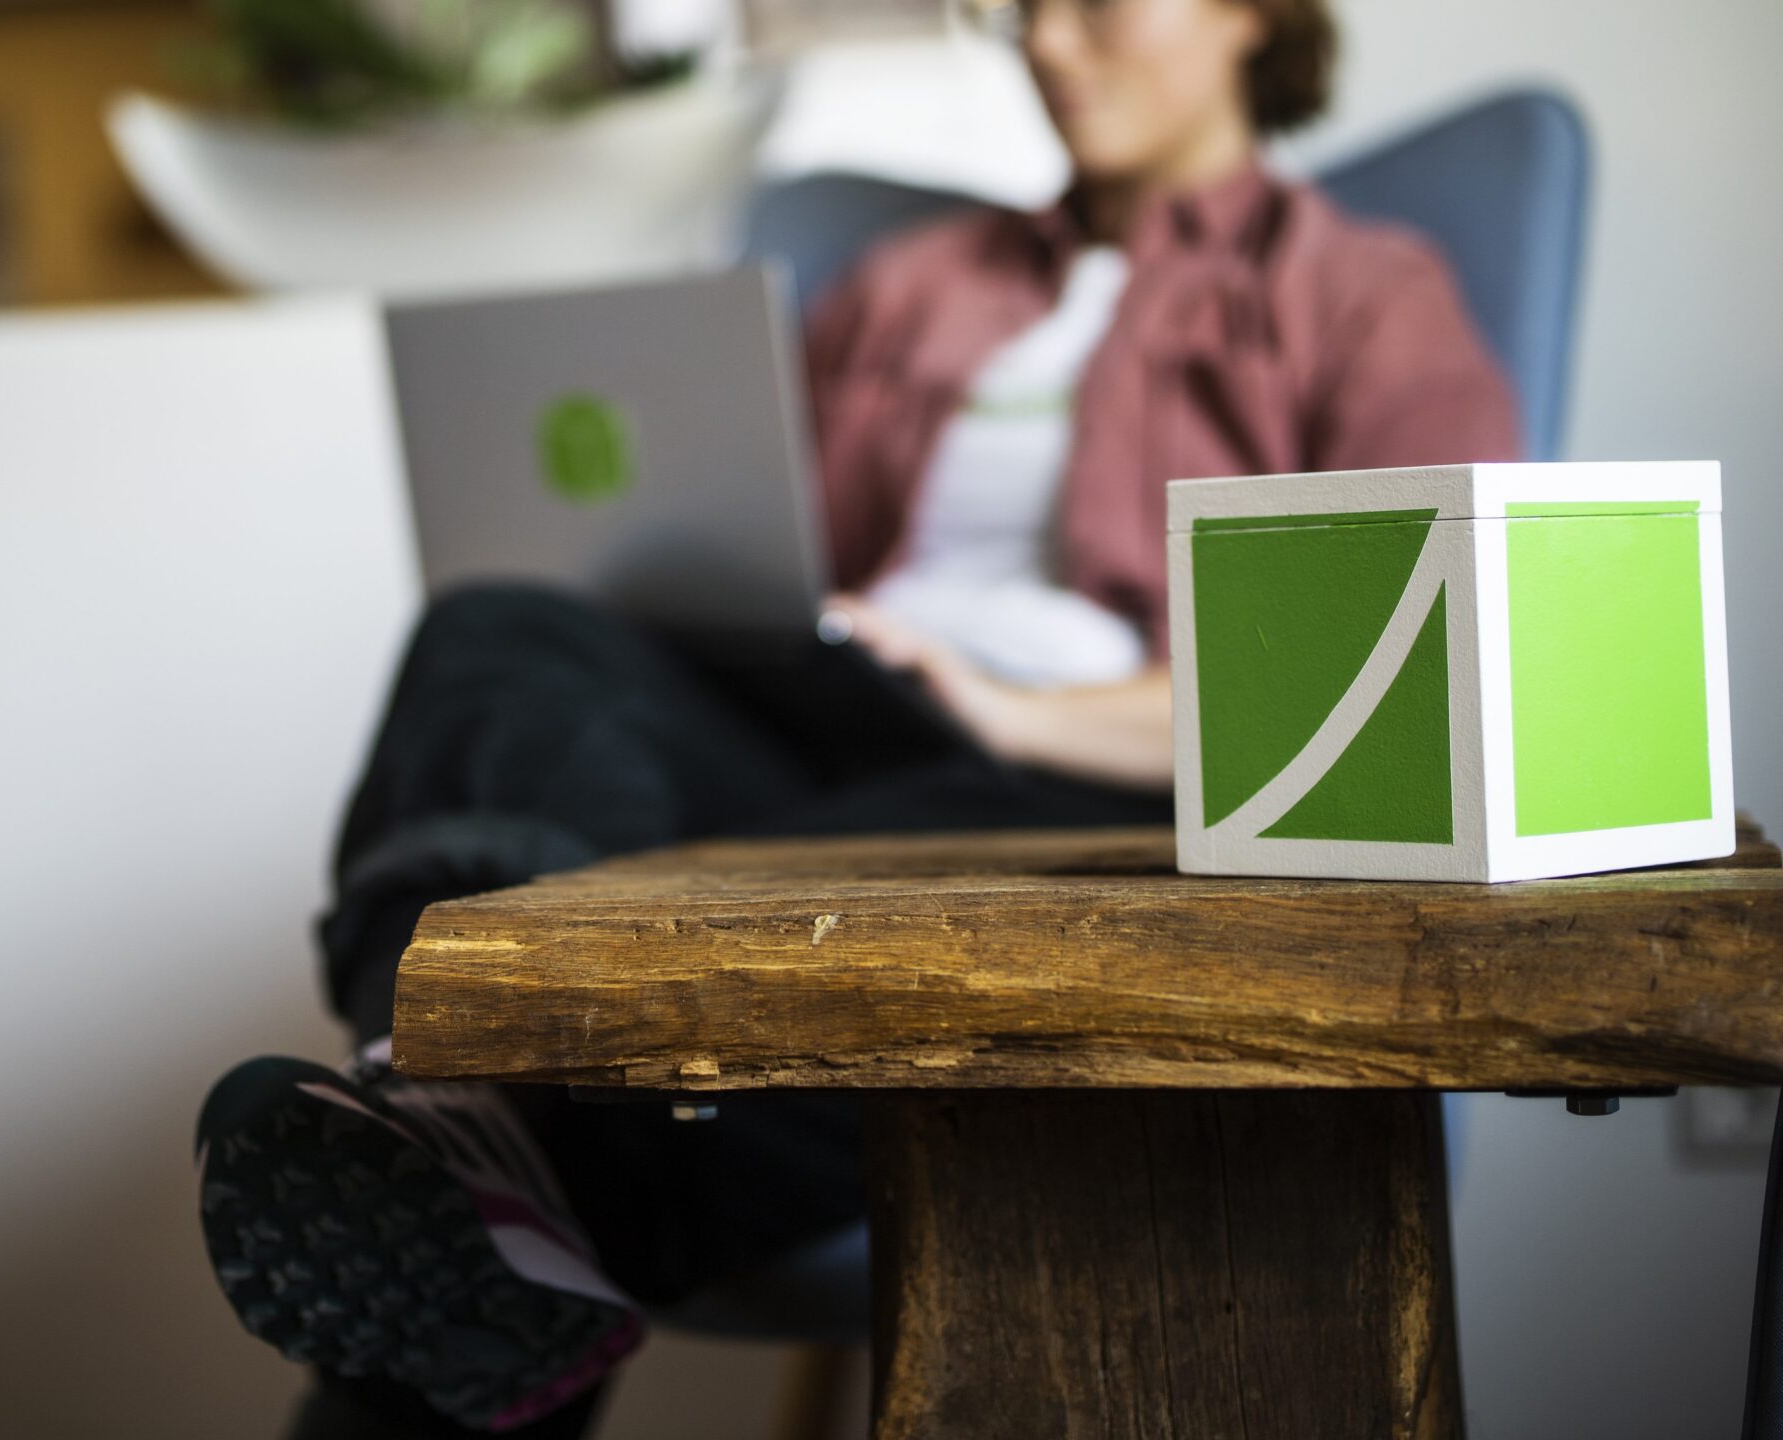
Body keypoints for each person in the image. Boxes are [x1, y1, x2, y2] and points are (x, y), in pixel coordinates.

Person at [195, 0, 1518, 1433]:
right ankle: (434, 1064)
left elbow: (1411, 657)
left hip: (1088, 778)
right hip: (834, 744)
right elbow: (751, 554)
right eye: (1025, 10)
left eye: (1097, 4)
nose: (1048, 46)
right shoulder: (910, 286)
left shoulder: (1364, 290)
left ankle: (475, 1161)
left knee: (502, 1181)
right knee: (499, 628)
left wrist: (1021, 716)